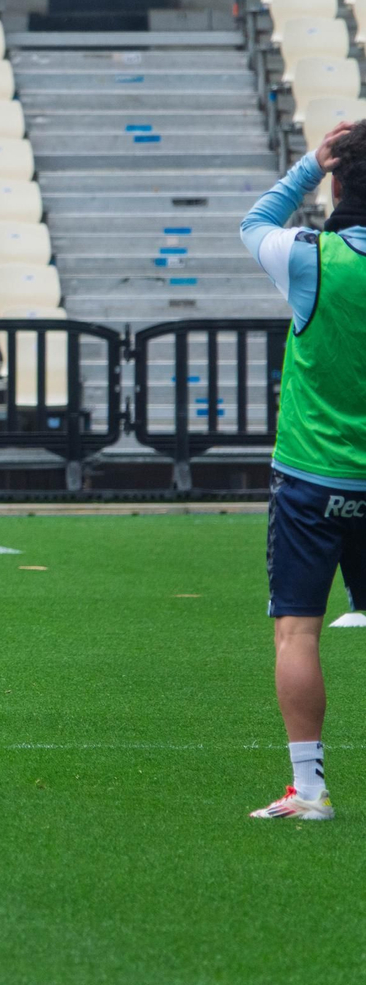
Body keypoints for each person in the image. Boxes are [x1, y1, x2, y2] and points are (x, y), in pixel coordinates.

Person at [238, 120, 366, 821]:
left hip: (314, 478)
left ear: (341, 181)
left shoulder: (313, 258)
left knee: (298, 631)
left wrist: (311, 164)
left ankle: (309, 790)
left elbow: (254, 222)